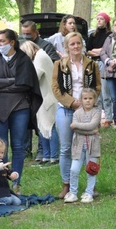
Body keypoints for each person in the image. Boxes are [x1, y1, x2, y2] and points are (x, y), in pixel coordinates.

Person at [0, 29, 43, 194]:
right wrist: (12, 81)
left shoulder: (24, 60)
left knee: (18, 146)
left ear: (12, 42)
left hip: (20, 107)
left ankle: (16, 182)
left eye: (2, 41)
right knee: (1, 147)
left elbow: (25, 84)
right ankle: (3, 183)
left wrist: (1, 86)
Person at [52, 32, 101, 199]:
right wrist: (72, 102)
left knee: (89, 146)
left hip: (87, 109)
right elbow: (56, 88)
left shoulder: (91, 65)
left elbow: (97, 86)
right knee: (66, 147)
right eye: (72, 44)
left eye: (78, 43)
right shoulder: (59, 64)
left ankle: (90, 185)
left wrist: (88, 102)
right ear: (66, 47)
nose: (76, 47)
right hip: (66, 108)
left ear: (82, 45)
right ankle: (67, 184)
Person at [20, 40, 59, 165]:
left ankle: (54, 156)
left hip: (47, 97)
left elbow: (34, 77)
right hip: (43, 97)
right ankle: (47, 156)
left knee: (50, 128)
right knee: (43, 128)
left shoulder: (40, 57)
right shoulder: (39, 56)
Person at [67, 88, 101, 203]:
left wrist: (76, 125)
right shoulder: (77, 113)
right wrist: (92, 131)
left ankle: (89, 192)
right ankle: (73, 192)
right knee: (74, 169)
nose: (88, 101)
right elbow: (88, 129)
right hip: (78, 146)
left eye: (90, 98)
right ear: (81, 100)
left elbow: (92, 125)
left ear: (94, 100)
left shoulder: (96, 112)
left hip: (93, 147)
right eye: (85, 98)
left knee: (91, 170)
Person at [87, 12, 113, 127]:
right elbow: (87, 50)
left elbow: (107, 50)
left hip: (104, 63)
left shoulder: (110, 35)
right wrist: (100, 51)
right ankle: (96, 118)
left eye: (101, 19)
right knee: (94, 91)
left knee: (105, 92)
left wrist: (97, 51)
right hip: (93, 63)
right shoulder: (92, 35)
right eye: (97, 19)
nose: (98, 21)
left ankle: (108, 117)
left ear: (106, 21)